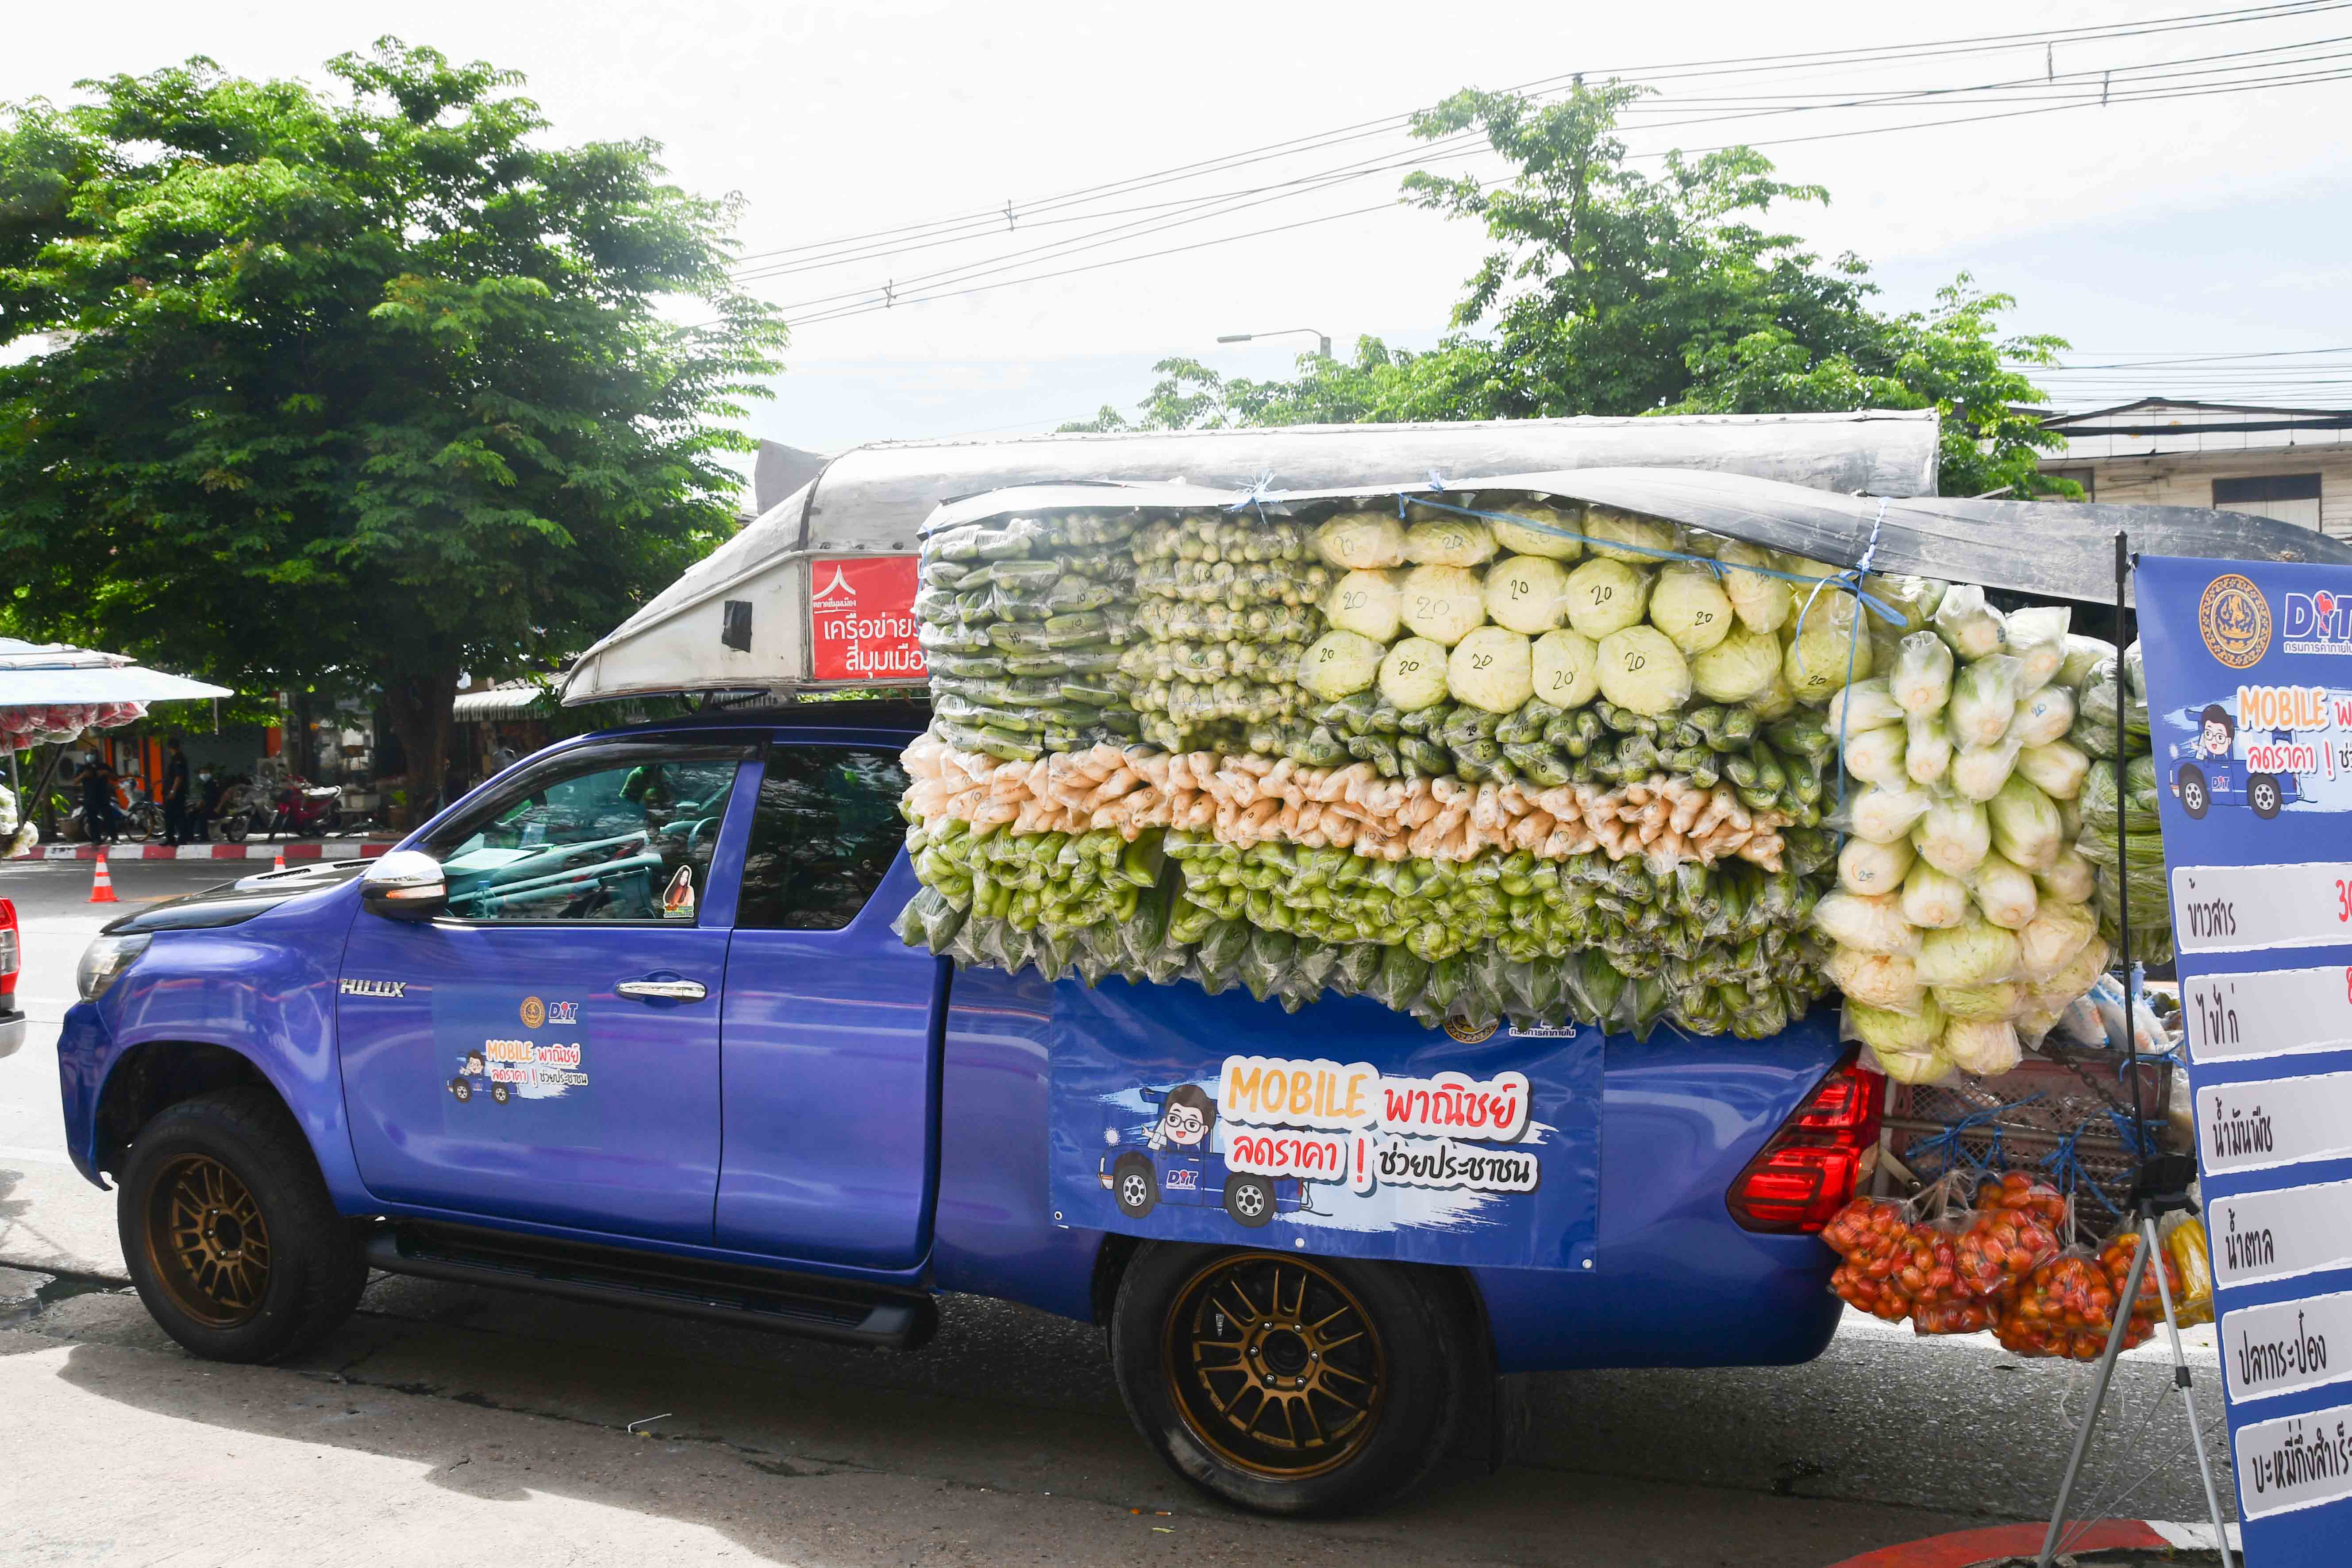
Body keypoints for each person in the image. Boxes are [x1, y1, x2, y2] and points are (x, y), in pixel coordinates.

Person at [77, 754, 118, 845]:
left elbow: (115, 778)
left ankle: (114, 838)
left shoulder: (104, 766)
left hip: (103, 797)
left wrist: (106, 773)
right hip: (90, 798)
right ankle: (96, 839)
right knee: (92, 820)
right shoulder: (83, 768)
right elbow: (75, 782)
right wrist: (83, 775)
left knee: (109, 818)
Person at [162, 737, 191, 846]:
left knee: (179, 815)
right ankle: (170, 838)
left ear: (170, 747)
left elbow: (179, 777)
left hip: (177, 793)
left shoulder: (179, 759)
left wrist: (173, 791)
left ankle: (182, 839)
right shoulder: (175, 758)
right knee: (169, 816)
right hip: (172, 792)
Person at [191, 765, 223, 843]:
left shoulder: (213, 784)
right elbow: (205, 799)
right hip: (209, 808)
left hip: (216, 809)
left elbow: (220, 797)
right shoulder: (206, 784)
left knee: (202, 816)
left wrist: (218, 808)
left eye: (205, 773)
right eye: (202, 773)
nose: (203, 775)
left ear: (210, 773)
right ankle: (190, 836)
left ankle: (205, 837)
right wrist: (196, 807)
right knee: (192, 814)